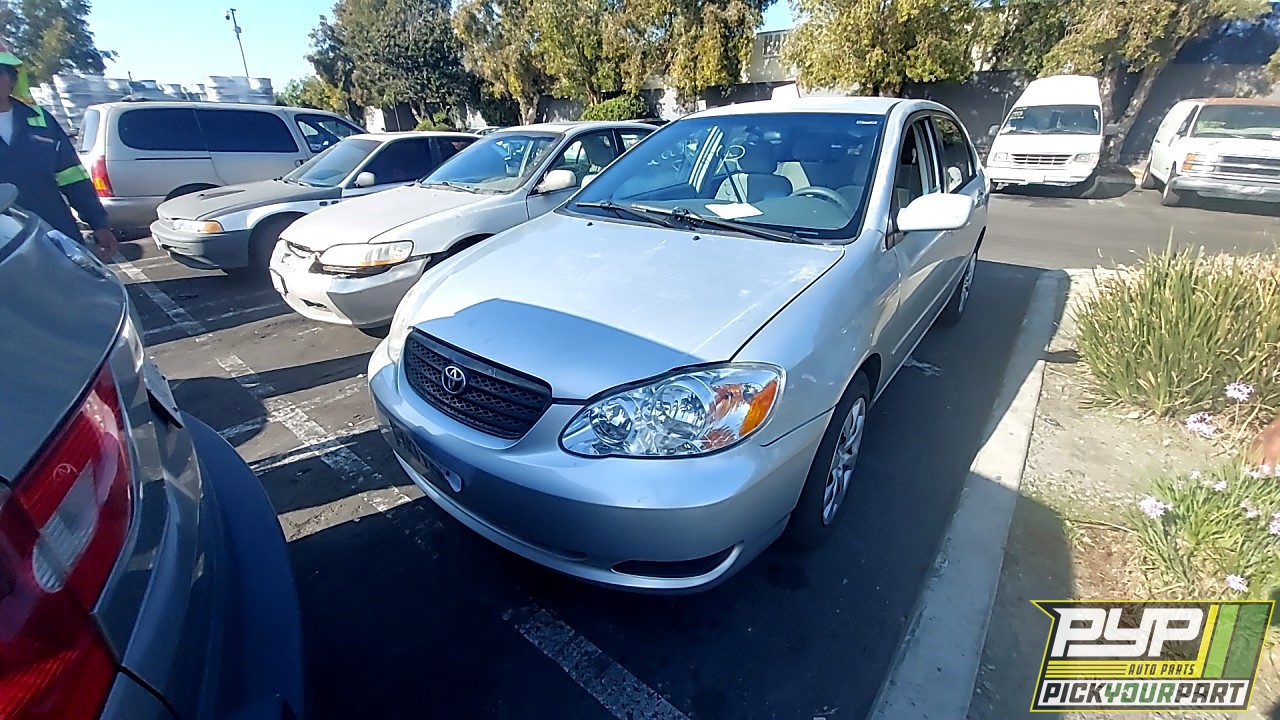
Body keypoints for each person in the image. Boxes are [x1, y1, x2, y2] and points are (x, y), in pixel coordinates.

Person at [0, 47, 117, 258]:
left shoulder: (40, 120)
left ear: (12, 78)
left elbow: (72, 175)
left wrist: (99, 223)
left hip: (54, 235)